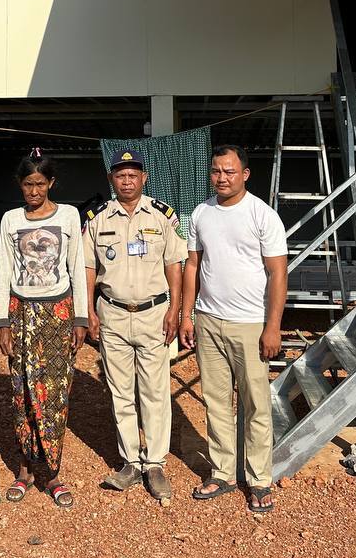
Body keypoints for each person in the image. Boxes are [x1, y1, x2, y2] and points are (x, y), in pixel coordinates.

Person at [180, 144, 288, 514]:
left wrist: (273, 327)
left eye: (229, 171)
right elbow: (192, 266)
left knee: (255, 404)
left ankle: (259, 479)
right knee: (216, 402)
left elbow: (277, 273)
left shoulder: (262, 215)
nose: (222, 178)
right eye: (216, 171)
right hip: (209, 320)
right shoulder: (201, 213)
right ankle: (223, 472)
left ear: (245, 174)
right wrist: (187, 315)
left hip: (250, 324)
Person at [83, 149, 186, 504]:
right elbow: (88, 268)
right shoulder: (97, 218)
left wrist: (175, 310)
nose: (127, 181)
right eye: (120, 175)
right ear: (111, 179)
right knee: (120, 391)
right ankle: (130, 460)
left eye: (133, 175)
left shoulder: (161, 215)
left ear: (144, 178)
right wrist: (89, 311)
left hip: (154, 315)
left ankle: (154, 463)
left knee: (155, 391)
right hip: (111, 314)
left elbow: (175, 264)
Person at [0, 149, 88, 508]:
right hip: (20, 312)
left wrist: (80, 318)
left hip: (58, 313)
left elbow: (77, 266)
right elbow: (4, 270)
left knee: (56, 394)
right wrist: (1, 321)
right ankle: (24, 469)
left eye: (40, 184)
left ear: (51, 183)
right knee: (22, 393)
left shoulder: (68, 215)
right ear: (20, 185)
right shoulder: (11, 219)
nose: (34, 191)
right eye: (28, 185)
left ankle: (53, 474)